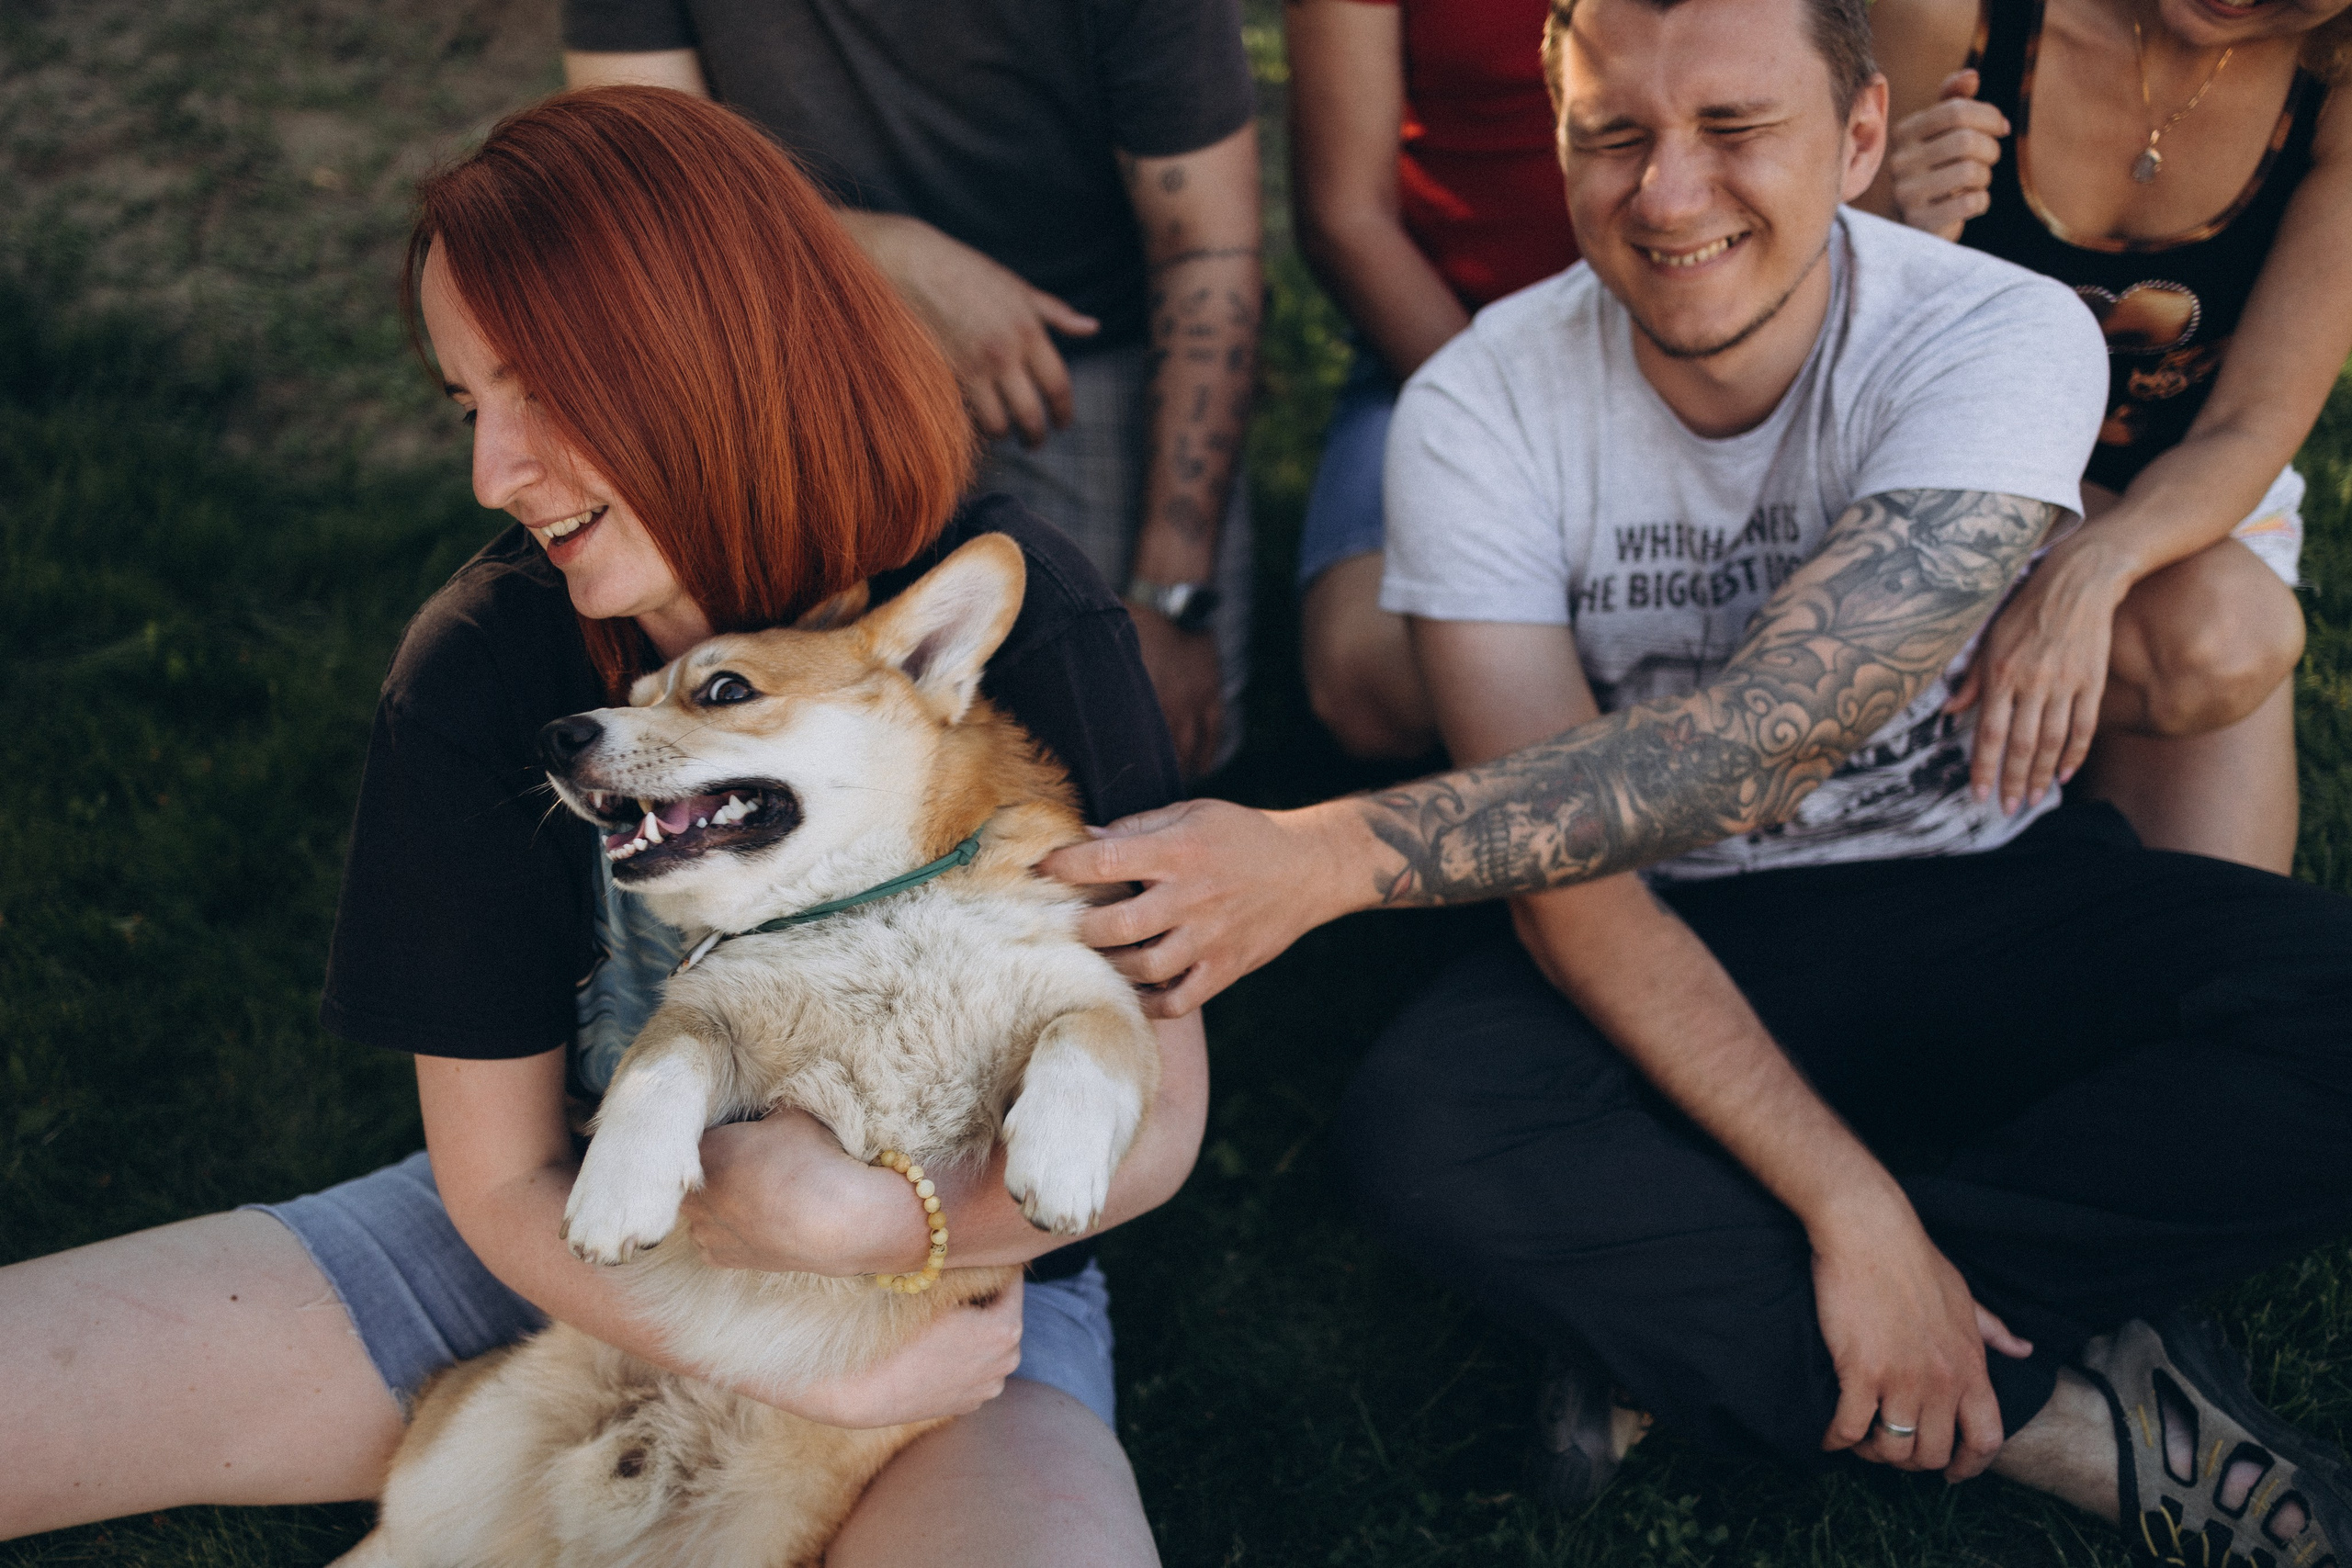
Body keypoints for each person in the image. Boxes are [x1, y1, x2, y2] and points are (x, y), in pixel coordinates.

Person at [1042, 0, 2352, 1556]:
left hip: (1969, 882)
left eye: (1737, 131)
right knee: (1431, 1131)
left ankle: (1728, 1314)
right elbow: (1569, 883)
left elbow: (1772, 739)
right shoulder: (1474, 408)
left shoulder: (2000, 334)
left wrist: (1321, 856)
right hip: (1667, 927)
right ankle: (2065, 1412)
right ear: (1562, 146)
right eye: (1615, 135)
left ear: (1861, 136)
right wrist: (1850, 1211)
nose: (1669, 193)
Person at [0, 88, 1208, 1566]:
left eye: (541, 389)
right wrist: (754, 1343)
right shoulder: (485, 662)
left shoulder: (1017, 626)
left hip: (963, 1287)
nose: (493, 472)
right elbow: (504, 1180)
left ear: (709, 347)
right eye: (467, 404)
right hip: (573, 1220)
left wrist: (873, 1240)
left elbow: (1166, 1114)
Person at [560, 0, 1263, 781]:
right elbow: (634, 184)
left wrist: (1171, 593)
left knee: (1132, 752)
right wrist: (879, 257)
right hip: (784, 347)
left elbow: (1206, 247)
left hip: (1066, 362)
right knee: (727, 751)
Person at [1860, 0, 2352, 873]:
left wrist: (2092, 570)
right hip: (1929, 460)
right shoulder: (1948, 15)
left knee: (2215, 955)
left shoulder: (2337, 88)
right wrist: (1895, 232)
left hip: (2166, 521)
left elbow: (2249, 424)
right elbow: (1788, 345)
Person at [1286, 0, 1580, 759]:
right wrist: (1518, 427)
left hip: (1693, 311)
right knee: (1365, 666)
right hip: (1447, 336)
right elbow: (1345, 216)